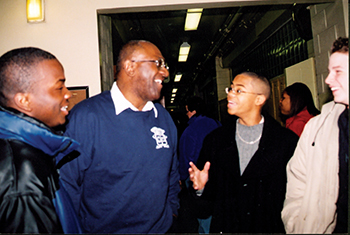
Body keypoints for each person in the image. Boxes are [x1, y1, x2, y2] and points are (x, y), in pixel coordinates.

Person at [60, 40, 180, 233]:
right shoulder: (87, 116)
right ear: (130, 67)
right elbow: (66, 184)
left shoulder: (163, 118)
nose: (165, 72)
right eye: (158, 63)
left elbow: (172, 174)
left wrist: (172, 212)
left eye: (165, 66)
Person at [187, 71, 299, 233]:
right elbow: (206, 206)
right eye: (231, 89)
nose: (230, 95)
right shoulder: (216, 140)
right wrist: (201, 188)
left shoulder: (285, 142)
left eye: (238, 90)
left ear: (259, 99)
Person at [0, 47, 82, 233]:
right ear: (24, 101)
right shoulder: (22, 173)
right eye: (59, 87)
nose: (68, 94)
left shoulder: (27, 148)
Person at [282, 37, 348, 233]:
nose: (328, 80)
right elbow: (297, 178)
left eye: (338, 71)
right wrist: (296, 223)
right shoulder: (317, 127)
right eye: (329, 72)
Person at [177, 96, 221, 233]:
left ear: (193, 111)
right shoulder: (217, 124)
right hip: (218, 176)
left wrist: (182, 177)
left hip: (198, 178)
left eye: (187, 111)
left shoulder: (189, 131)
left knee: (202, 217)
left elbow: (186, 158)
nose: (187, 114)